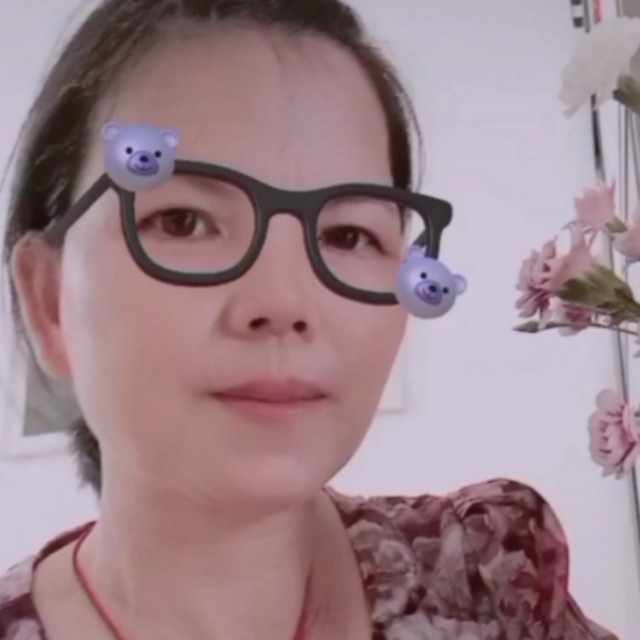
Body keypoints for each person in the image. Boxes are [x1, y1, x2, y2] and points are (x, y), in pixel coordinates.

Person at [0, 1, 620, 639]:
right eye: (184, 222)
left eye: (348, 235)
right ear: (49, 300)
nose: (284, 302)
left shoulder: (492, 585)